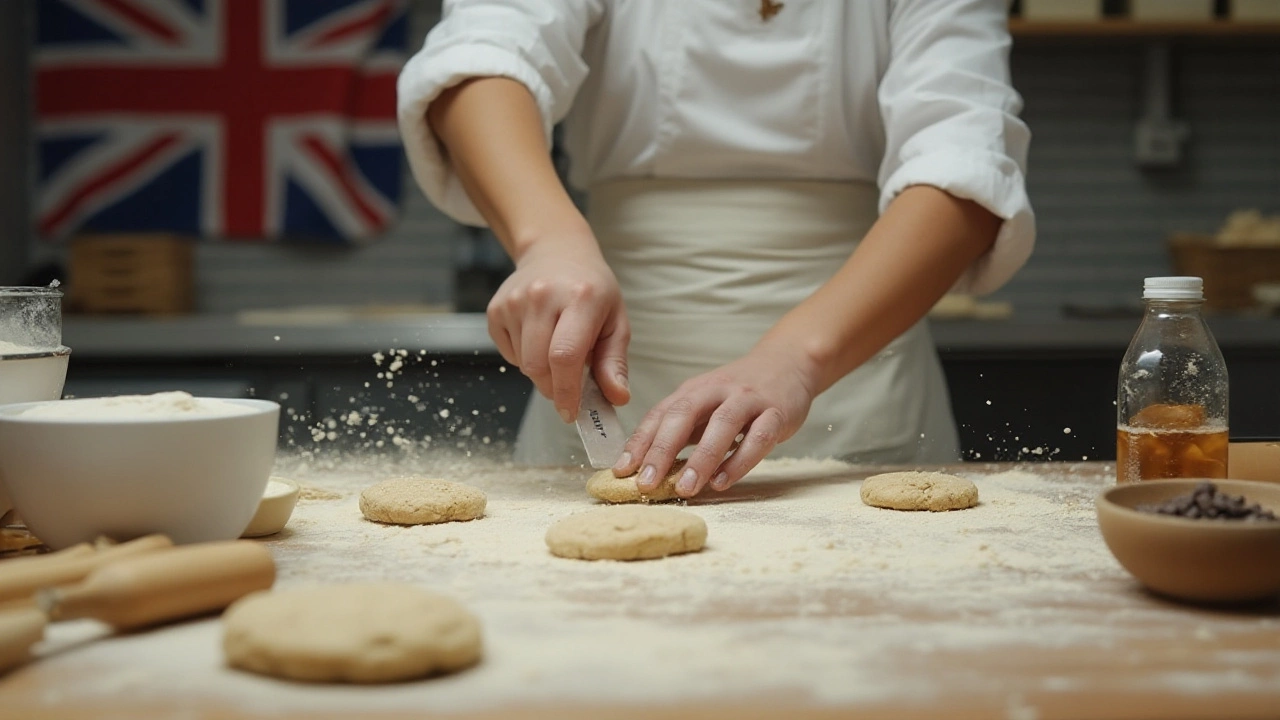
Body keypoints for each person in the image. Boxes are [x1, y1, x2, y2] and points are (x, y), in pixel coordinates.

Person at [397, 0, 1034, 499]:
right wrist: (547, 240)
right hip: (607, 381)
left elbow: (966, 161)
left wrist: (795, 361)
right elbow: (481, 54)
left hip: (855, 378)